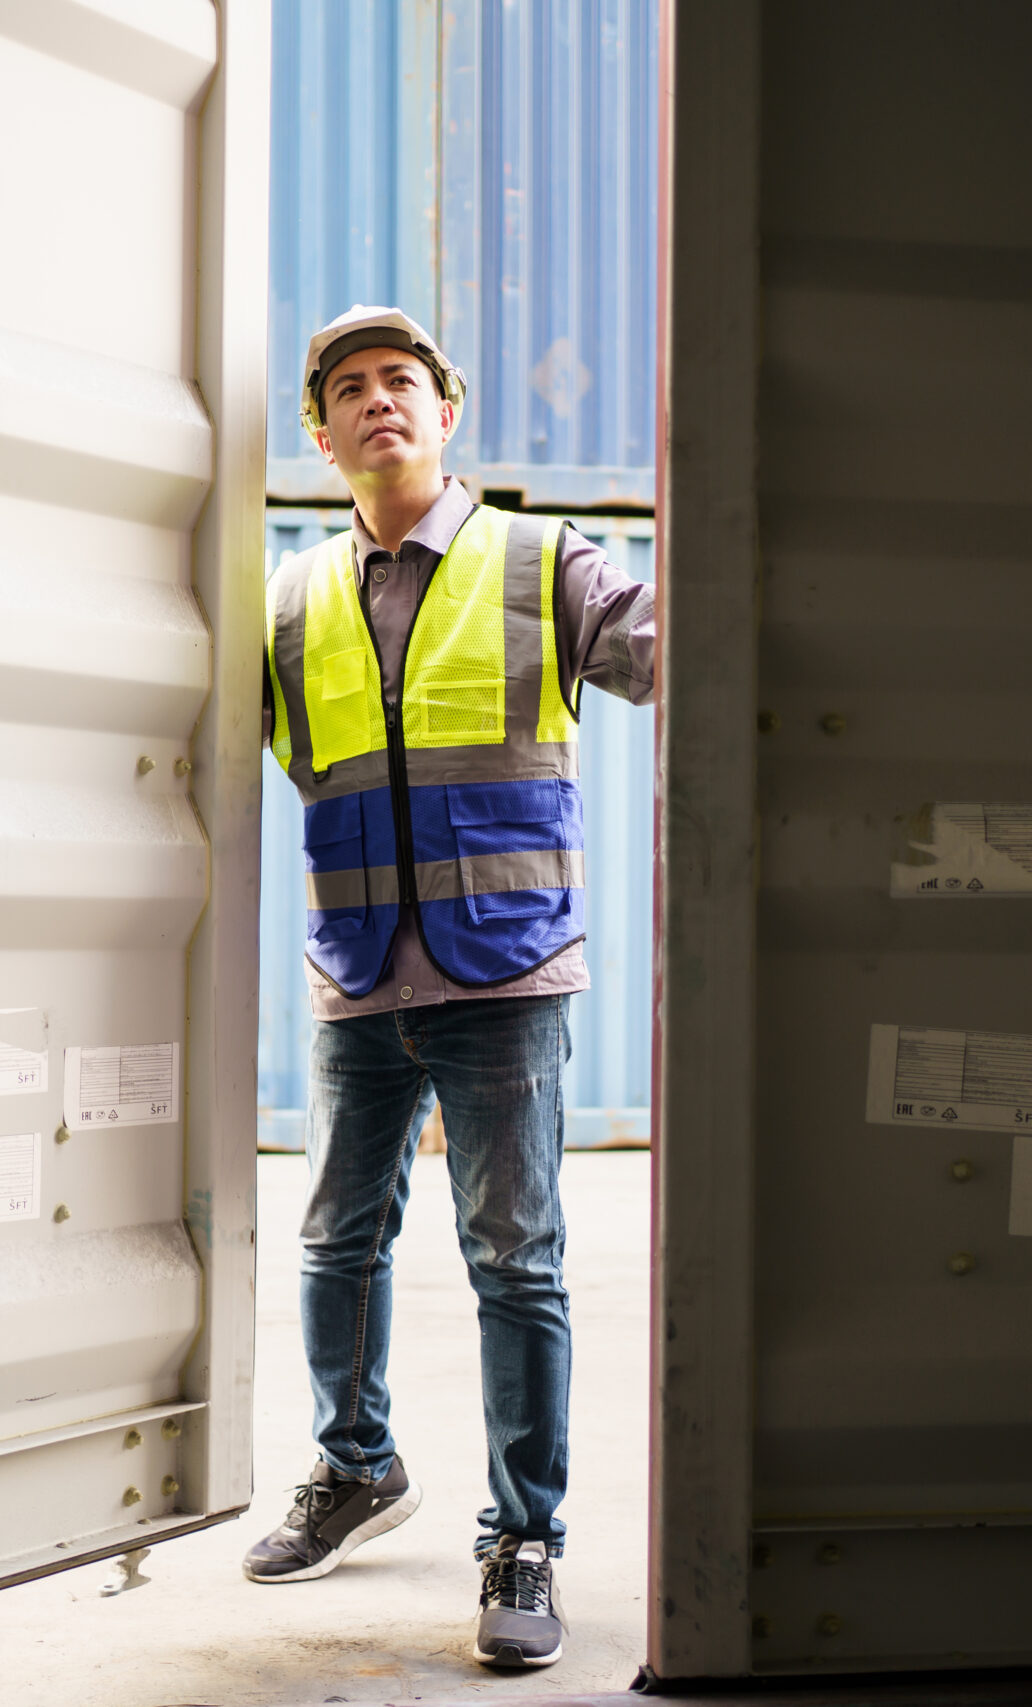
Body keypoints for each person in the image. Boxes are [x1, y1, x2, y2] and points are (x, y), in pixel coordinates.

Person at [243, 306, 656, 1670]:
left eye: (402, 382)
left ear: (446, 412)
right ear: (319, 433)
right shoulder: (290, 598)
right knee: (332, 1246)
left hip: (506, 970)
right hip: (357, 970)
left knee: (515, 1259)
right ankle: (357, 1463)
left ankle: (524, 1533)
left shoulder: (543, 559)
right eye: (351, 389)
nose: (379, 403)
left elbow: (677, 653)